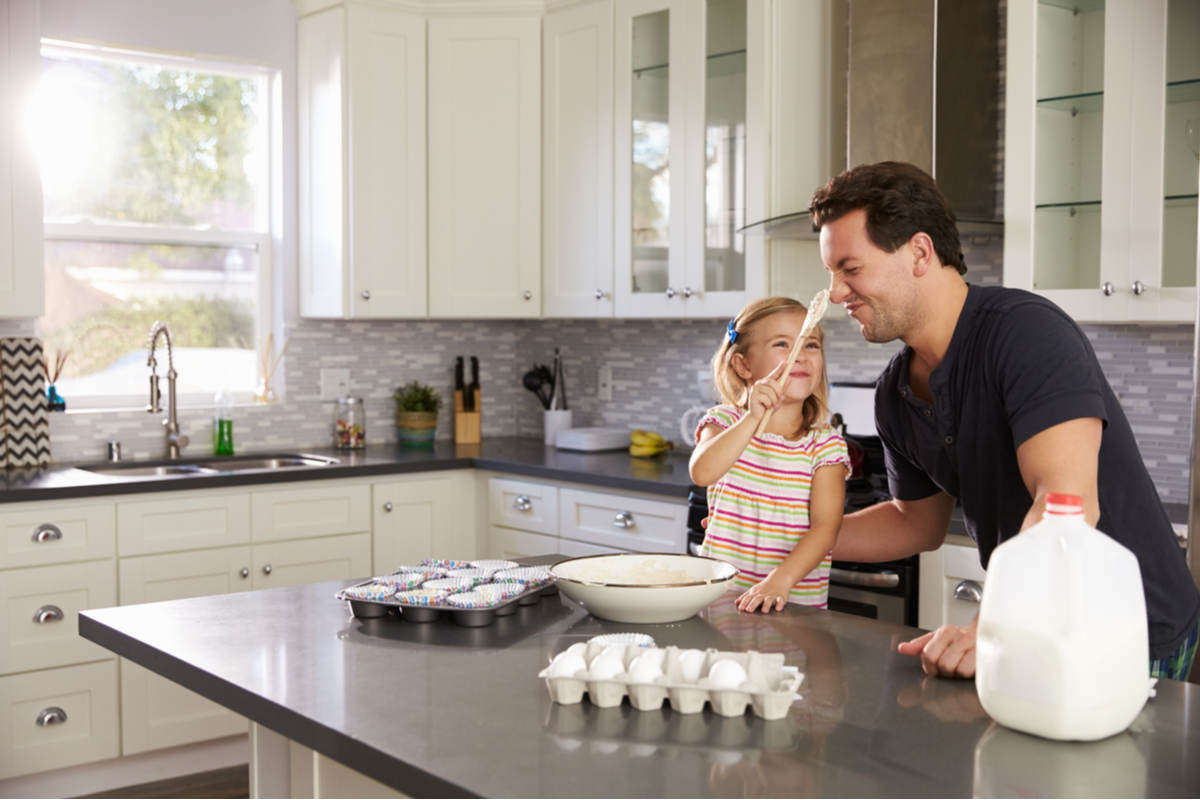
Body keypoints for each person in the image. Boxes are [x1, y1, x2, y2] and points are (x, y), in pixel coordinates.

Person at [810, 160, 1200, 680]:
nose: (836, 293)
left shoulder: (1024, 334)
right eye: (831, 274)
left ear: (920, 253)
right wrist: (789, 531)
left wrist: (991, 626)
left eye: (850, 269)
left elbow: (1066, 505)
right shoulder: (896, 393)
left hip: (1129, 636)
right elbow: (915, 522)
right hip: (1032, 635)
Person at [689, 296, 850, 613]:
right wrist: (752, 417)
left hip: (790, 605)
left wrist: (780, 580)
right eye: (782, 344)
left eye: (811, 345)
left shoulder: (825, 445)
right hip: (722, 600)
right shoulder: (724, 422)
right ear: (743, 365)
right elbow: (702, 472)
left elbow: (825, 528)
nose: (800, 357)